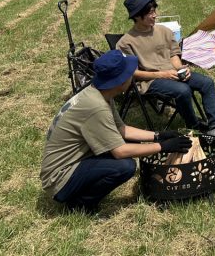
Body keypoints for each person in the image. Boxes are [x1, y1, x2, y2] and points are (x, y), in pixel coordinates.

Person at [40, 50, 192, 213]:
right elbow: (120, 151)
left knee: (131, 146)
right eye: (129, 73)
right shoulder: (96, 107)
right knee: (124, 166)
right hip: (59, 179)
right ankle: (81, 205)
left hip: (73, 163)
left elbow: (120, 129)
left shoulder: (100, 93)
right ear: (120, 80)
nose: (133, 75)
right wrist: (163, 146)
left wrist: (158, 136)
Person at [116, 0, 215, 142]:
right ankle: (195, 128)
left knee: (206, 83)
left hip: (172, 72)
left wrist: (180, 69)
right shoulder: (126, 42)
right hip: (149, 81)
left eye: (154, 11)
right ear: (137, 16)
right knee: (183, 90)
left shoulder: (164, 31)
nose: (155, 15)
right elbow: (133, 73)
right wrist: (162, 74)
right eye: (150, 13)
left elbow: (173, 55)